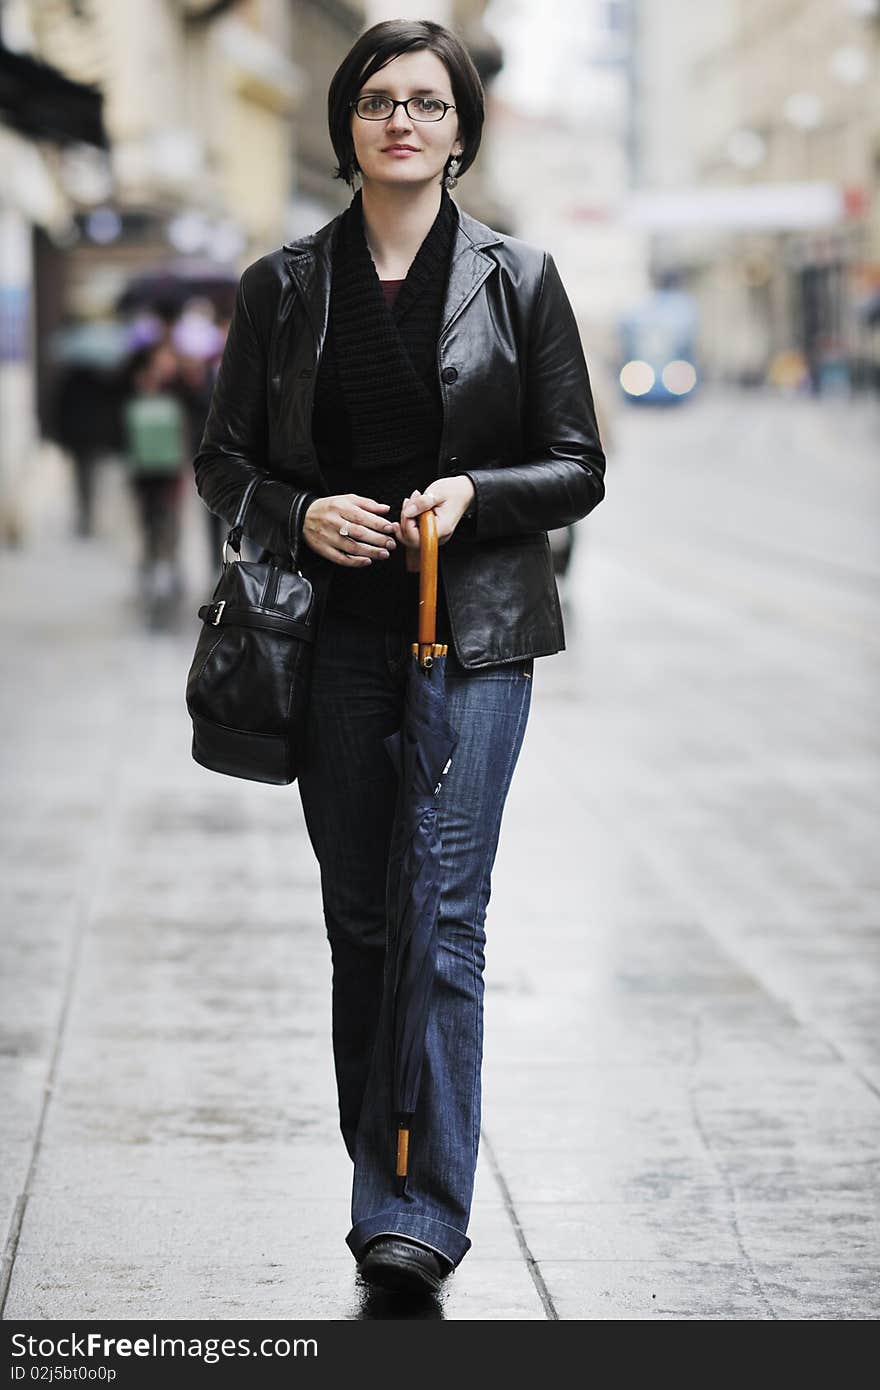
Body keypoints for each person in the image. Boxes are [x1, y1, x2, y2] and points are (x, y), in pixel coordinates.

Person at [193, 18, 605, 1298]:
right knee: (363, 920)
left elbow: (578, 466)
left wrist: (473, 495)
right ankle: (381, 1178)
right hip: (332, 647)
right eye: (378, 101)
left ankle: (417, 1213)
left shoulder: (519, 278)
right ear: (347, 126)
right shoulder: (282, 286)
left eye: (427, 102)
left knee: (445, 915)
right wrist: (296, 513)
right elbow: (226, 461)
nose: (402, 122)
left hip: (472, 642)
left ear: (461, 130)